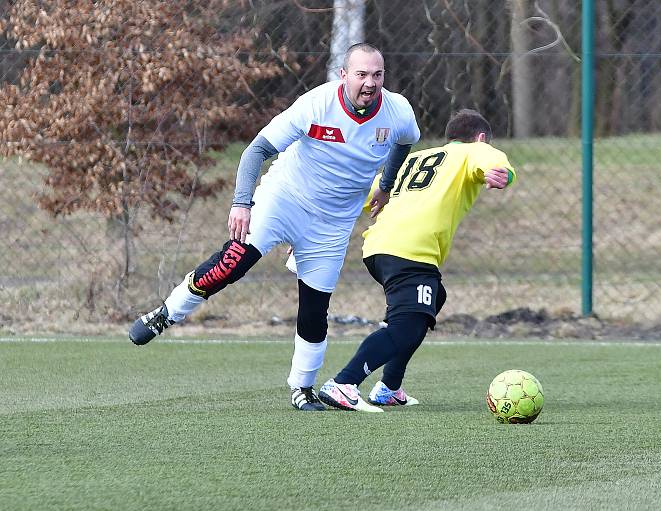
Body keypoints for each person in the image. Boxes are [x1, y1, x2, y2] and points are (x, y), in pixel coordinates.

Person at [128, 43, 421, 412]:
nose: (370, 83)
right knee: (231, 263)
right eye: (361, 74)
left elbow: (407, 141)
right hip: (284, 201)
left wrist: (386, 183)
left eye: (377, 75)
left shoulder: (397, 111)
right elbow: (256, 151)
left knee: (315, 311)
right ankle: (167, 313)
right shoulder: (316, 104)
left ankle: (302, 388)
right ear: (343, 75)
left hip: (332, 224)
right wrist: (241, 202)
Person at [314, 109, 516, 412]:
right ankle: (344, 383)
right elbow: (494, 163)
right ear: (481, 138)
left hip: (379, 247)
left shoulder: (414, 159)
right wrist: (502, 173)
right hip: (409, 251)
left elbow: (365, 195)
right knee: (407, 326)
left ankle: (389, 387)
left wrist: (316, 227)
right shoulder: (476, 150)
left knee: (432, 299)